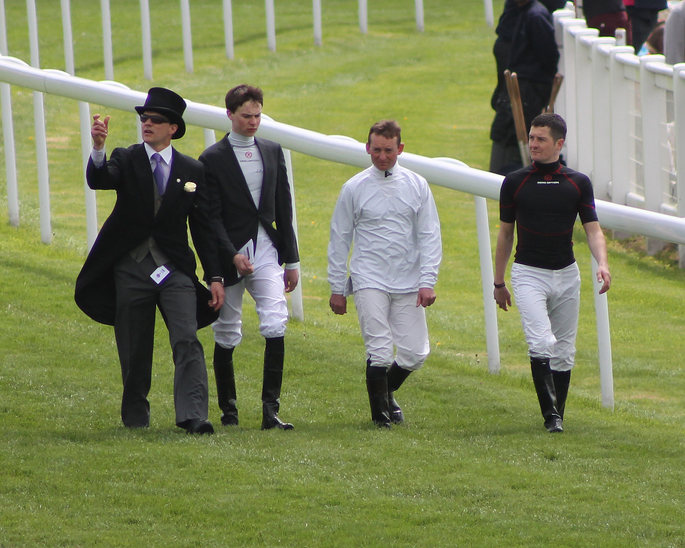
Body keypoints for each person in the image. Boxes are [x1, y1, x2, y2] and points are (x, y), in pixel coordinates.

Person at [74, 87, 225, 434]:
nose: (147, 124)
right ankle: (136, 417)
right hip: (131, 268)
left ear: (173, 127)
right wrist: (97, 147)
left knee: (186, 337)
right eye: (144, 119)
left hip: (175, 270)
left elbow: (202, 228)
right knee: (134, 345)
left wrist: (214, 276)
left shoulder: (192, 170)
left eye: (155, 120)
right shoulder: (126, 159)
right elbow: (99, 179)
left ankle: (193, 416)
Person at [493, 112, 611, 433]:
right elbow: (505, 234)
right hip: (529, 273)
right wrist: (498, 281)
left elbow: (593, 231)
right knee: (541, 341)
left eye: (540, 139)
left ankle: (558, 412)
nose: (533, 144)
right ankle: (551, 417)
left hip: (567, 274)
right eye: (531, 137)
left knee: (564, 349)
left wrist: (602, 262)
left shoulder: (578, 183)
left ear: (559, 143)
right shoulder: (515, 182)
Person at [327, 120, 442, 428]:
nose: (381, 157)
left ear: (400, 149)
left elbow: (430, 235)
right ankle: (381, 419)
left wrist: (427, 281)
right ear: (367, 148)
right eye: (376, 150)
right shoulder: (354, 187)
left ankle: (386, 392)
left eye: (388, 151)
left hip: (409, 279)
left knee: (415, 352)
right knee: (378, 350)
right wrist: (337, 288)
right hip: (369, 278)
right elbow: (339, 238)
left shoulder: (417, 185)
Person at [199, 84, 300, 430]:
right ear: (230, 115)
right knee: (227, 331)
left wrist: (293, 261)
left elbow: (284, 208)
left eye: (258, 115)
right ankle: (229, 412)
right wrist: (231, 256)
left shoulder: (272, 151)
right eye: (246, 116)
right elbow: (210, 217)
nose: (253, 122)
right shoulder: (211, 159)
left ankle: (271, 412)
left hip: (267, 248)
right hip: (228, 254)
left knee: (275, 320)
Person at [489, 0, 560, 176]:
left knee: (516, 143)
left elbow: (549, 59)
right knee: (503, 136)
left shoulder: (535, 16)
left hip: (528, 94)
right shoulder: (517, 12)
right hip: (515, 89)